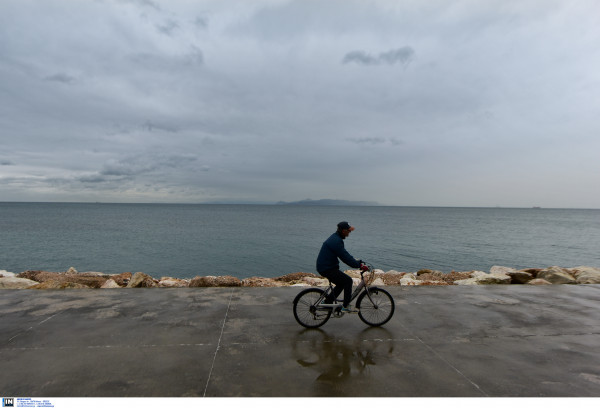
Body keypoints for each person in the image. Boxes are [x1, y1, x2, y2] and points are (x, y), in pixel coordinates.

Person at [316, 221, 368, 313]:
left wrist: (358, 262)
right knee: (348, 281)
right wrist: (358, 265)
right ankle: (346, 306)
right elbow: (345, 257)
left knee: (341, 283)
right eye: (349, 231)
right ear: (343, 231)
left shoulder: (336, 238)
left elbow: (345, 254)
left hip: (326, 266)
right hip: (327, 268)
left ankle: (328, 301)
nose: (349, 233)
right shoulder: (336, 241)